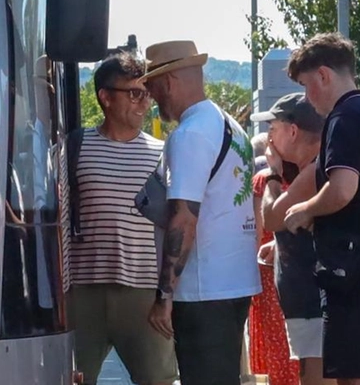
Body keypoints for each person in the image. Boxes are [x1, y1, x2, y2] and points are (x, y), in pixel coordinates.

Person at [281, 33, 360, 385]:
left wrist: (305, 210)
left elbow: (342, 189)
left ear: (323, 75)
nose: (308, 99)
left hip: (358, 277)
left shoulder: (345, 117)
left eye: (307, 86)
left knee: (355, 380)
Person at [140, 40, 261, 385]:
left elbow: (183, 218)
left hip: (203, 288)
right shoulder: (228, 125)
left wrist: (164, 294)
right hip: (232, 282)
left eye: (151, 87)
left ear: (169, 81)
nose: (151, 98)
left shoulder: (190, 134)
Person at [68, 53, 177, 385]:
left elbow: (177, 223)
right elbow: (57, 217)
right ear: (105, 97)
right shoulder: (75, 147)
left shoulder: (164, 153)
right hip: (83, 294)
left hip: (145, 295)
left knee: (158, 379)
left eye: (146, 93)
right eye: (134, 93)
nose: (143, 102)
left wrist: (166, 297)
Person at [255, 93, 332, 385]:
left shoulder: (314, 169)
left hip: (316, 299)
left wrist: (273, 175)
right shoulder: (308, 169)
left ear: (293, 131)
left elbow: (273, 218)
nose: (268, 138)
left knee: (315, 375)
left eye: (272, 128)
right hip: (306, 300)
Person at [250, 131, 300, 385]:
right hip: (288, 269)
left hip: (271, 271)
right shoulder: (309, 174)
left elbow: (257, 234)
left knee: (279, 341)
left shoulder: (264, 180)